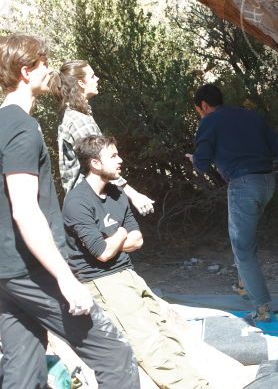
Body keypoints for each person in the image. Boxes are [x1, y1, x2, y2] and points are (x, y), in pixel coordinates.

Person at [0, 33, 139, 388]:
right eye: (44, 63)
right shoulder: (20, 128)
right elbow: (25, 209)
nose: (50, 69)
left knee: (24, 366)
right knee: (114, 353)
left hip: (6, 273)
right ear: (26, 71)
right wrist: (64, 277)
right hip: (31, 269)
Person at [62, 134, 210, 389]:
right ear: (95, 163)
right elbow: (102, 253)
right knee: (148, 342)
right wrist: (119, 233)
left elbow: (138, 240)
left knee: (166, 332)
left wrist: (112, 239)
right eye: (114, 156)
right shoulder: (77, 202)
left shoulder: (117, 195)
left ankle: (197, 383)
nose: (121, 160)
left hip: (129, 274)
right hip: (103, 281)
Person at [187, 84, 278, 321]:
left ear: (203, 106)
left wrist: (193, 160)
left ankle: (261, 308)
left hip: (243, 185)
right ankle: (242, 284)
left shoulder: (209, 121)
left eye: (199, 111)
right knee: (242, 237)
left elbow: (201, 163)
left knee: (243, 247)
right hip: (268, 183)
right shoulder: (250, 116)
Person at [50, 60, 154, 215]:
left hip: (91, 202)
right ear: (81, 83)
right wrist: (134, 195)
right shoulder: (79, 121)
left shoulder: (78, 116)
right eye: (92, 76)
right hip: (89, 206)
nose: (97, 79)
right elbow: (102, 164)